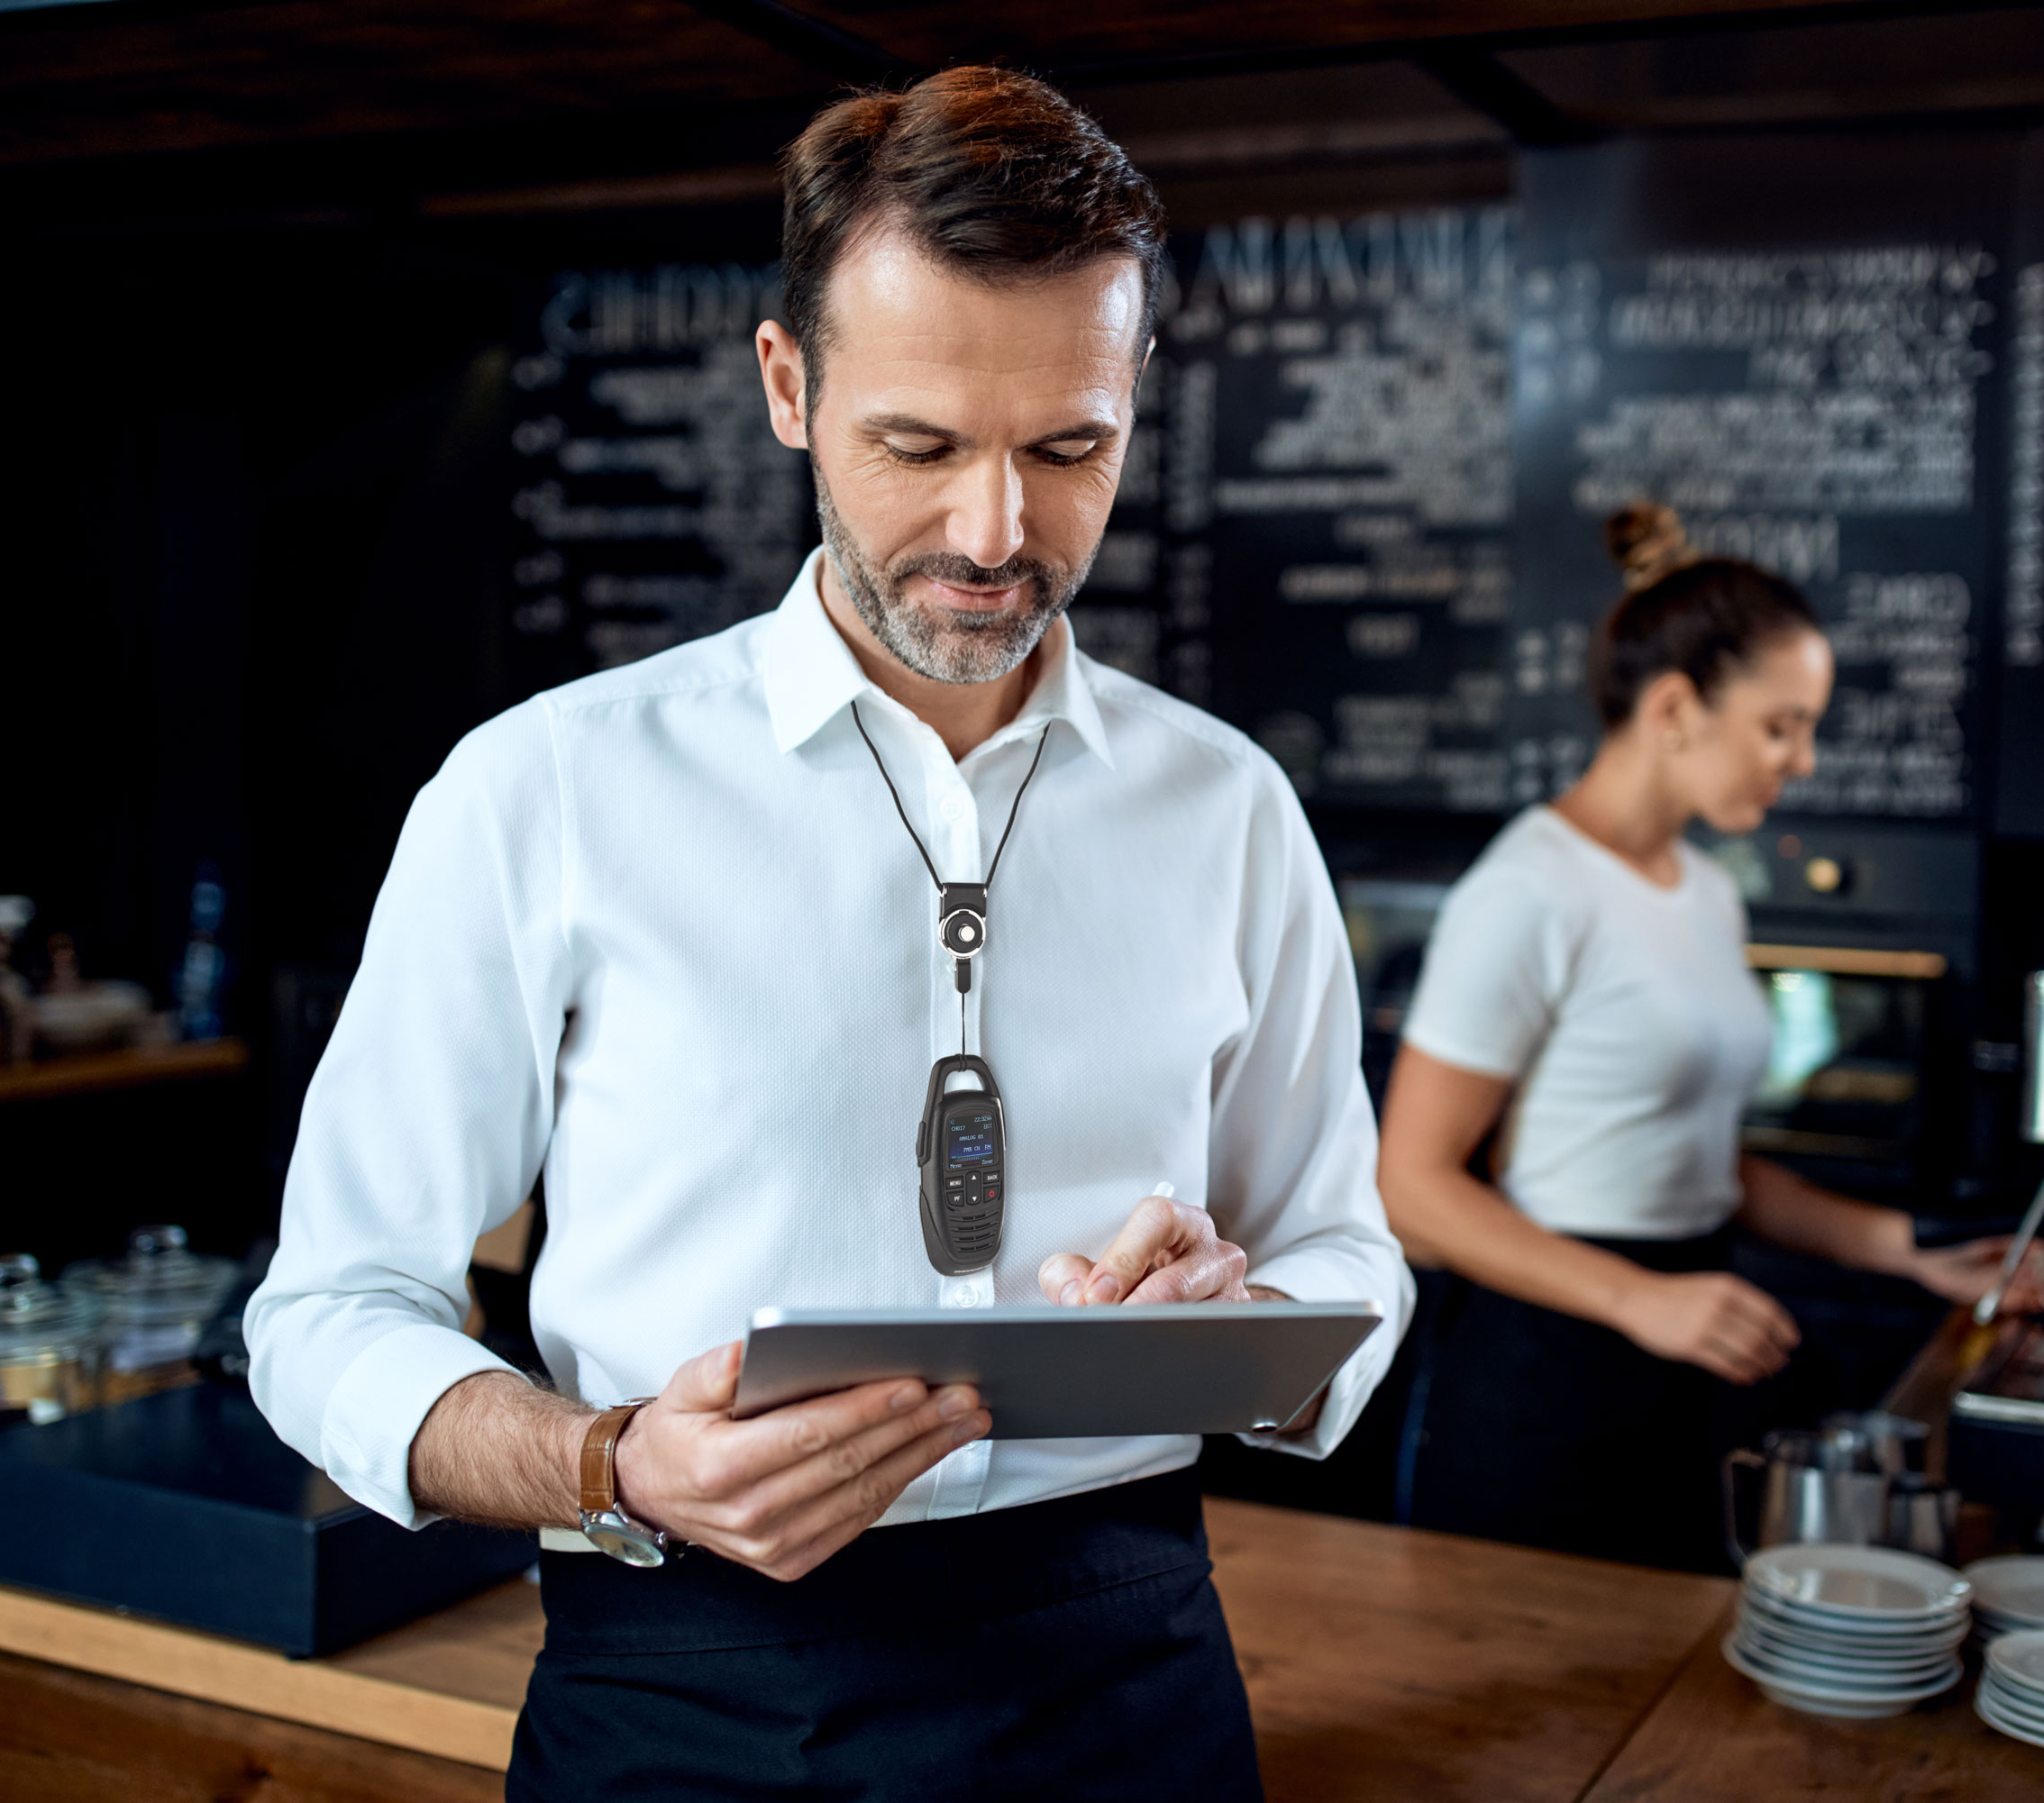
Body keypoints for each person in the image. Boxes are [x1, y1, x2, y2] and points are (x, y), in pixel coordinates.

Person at [245, 67, 1409, 1803]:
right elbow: (330, 1312)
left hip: (1133, 1675)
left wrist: (1241, 1324)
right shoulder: (542, 788)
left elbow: (1349, 1259)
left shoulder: (1231, 807)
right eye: (921, 447)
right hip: (689, 1682)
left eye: (1068, 449)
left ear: (1133, 400)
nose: (995, 535)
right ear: (790, 388)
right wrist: (612, 1461)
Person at [1374, 505, 2027, 1571]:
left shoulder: (1709, 894)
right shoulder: (1527, 889)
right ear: (1675, 707)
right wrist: (1642, 1302)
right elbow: (1412, 1188)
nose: (1802, 762)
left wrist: (1911, 1251)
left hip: (1687, 1345)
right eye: (1782, 725)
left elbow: (1693, 1157)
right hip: (1548, 1366)